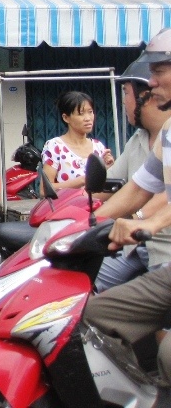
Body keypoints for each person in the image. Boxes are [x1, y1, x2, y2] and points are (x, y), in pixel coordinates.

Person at [85, 28, 171, 382]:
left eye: (159, 71)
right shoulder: (167, 135)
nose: (152, 81)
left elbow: (153, 205)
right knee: (90, 315)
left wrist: (148, 223)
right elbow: (137, 189)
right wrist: (84, 227)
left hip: (162, 251)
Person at [95, 72, 171, 291]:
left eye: (126, 93)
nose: (123, 102)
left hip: (165, 247)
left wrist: (139, 218)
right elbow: (135, 188)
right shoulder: (142, 138)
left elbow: (165, 195)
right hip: (133, 245)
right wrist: (84, 223)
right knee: (85, 289)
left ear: (146, 96)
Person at [41, 90, 115, 190]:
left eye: (90, 112)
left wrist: (107, 168)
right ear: (66, 118)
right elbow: (44, 189)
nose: (88, 118)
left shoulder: (99, 147)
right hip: (67, 201)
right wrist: (82, 180)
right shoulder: (55, 146)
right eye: (81, 113)